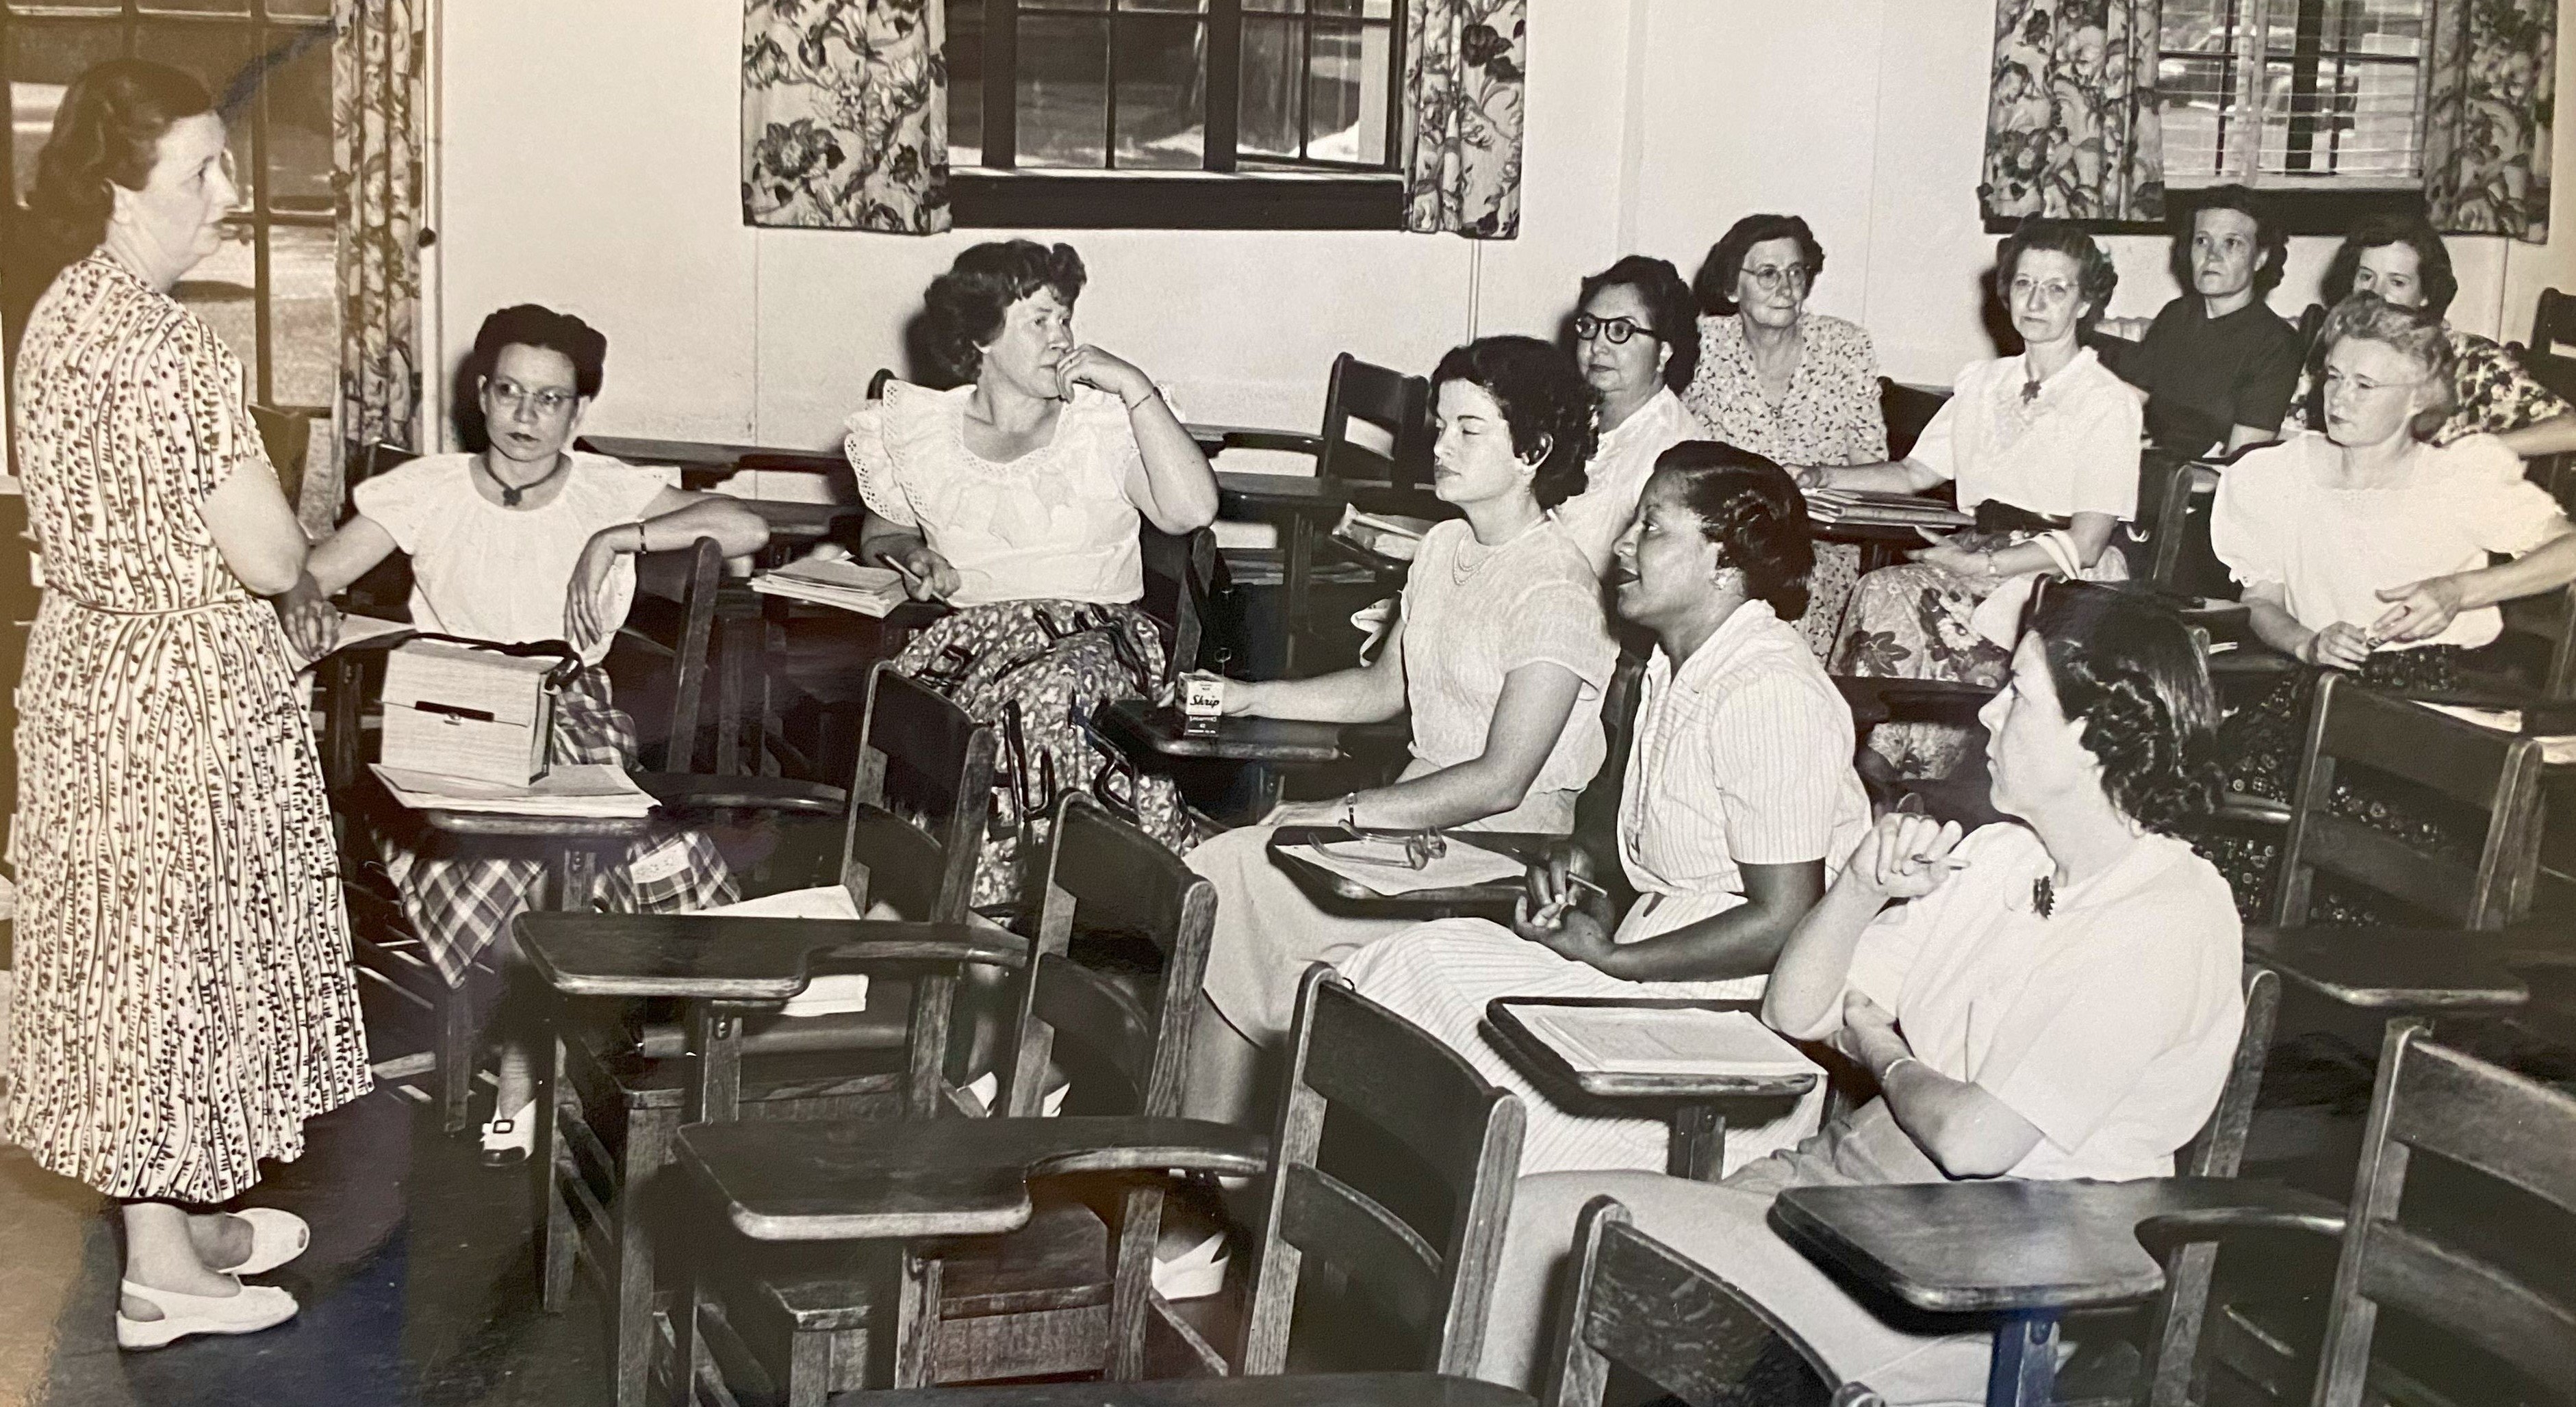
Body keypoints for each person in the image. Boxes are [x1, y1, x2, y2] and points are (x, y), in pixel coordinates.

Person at [1473, 582, 2243, 1404]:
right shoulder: (2003, 859)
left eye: (2017, 694)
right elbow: (1796, 1011)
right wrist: (1859, 888)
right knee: (1539, 1235)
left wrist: (1881, 1046)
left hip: (1982, 1278)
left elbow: (1974, 1142)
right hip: (1843, 1198)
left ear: (2096, 739)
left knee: (1547, 1232)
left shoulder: (2167, 915)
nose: (1986, 714)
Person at [4, 58, 370, 1349]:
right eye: (199, 172)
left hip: (92, 677)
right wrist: (329, 547)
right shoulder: (169, 348)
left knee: (128, 964)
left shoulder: (57, 315)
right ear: (118, 186)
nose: (228, 194)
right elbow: (271, 560)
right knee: (177, 967)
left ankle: (174, 1222)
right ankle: (161, 1274)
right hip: (183, 693)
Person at [298, 303, 772, 1162]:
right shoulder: (428, 487)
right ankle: (537, 1054)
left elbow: (747, 527)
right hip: (447, 709)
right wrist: (329, 626)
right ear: (480, 394)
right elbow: (312, 580)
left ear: (580, 412)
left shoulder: (605, 487)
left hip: (570, 709)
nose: (526, 416)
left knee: (588, 827)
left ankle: (542, 1056)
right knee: (518, 848)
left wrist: (613, 539)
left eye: (550, 400)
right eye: (510, 391)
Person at [1341, 443, 1872, 1176]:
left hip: (1736, 1031)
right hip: (1649, 969)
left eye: (1651, 527)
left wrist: (1619, 961)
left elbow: (1785, 916)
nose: (1623, 545)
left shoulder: (1768, 691)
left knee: (1496, 1116)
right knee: (1396, 971)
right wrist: (1582, 859)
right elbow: (1631, 811)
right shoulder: (1668, 665)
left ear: (1725, 561)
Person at [1182, 335, 1615, 1126]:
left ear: (1534, 451)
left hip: (1505, 848)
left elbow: (1500, 779)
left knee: (1241, 872)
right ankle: (1198, 1174)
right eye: (1438, 424)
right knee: (1221, 877)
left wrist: (1339, 813)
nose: (1439, 446)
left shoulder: (1556, 589)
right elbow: (1384, 691)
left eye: (1467, 429)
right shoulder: (1445, 545)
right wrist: (1248, 697)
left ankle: (1210, 1183)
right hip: (1414, 825)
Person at [847, 240, 1220, 909]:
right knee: (934, 694)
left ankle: (997, 910)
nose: (1062, 339)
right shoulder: (923, 429)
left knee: (1046, 691)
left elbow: (1191, 509)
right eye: (1038, 321)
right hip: (974, 639)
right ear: (979, 338)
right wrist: (910, 555)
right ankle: (955, 897)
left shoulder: (1101, 422)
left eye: (1065, 318)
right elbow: (882, 528)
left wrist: (1136, 387)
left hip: (1098, 639)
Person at [2203, 294, 2576, 921]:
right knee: (2226, 799)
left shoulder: (2457, 477)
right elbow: (2260, 600)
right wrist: (2305, 642)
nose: (2338, 397)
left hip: (2427, 702)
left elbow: (2567, 550)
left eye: (2365, 384)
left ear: (2417, 399)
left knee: (2374, 850)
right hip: (2317, 690)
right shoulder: (2279, 474)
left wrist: (2459, 592)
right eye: (2334, 377)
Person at [1805, 218, 2140, 779]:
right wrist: (1821, 475)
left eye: (2057, 288)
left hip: (2061, 575)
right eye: (2024, 283)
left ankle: (1916, 773)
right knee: (1881, 588)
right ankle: (1856, 769)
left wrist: (1980, 564)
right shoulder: (1984, 383)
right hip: (1977, 551)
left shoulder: (2106, 401)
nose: (2035, 301)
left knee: (1909, 599)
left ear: (2085, 303)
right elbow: (1914, 472)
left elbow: (2086, 542)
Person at [1681, 214, 1889, 658]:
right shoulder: (1699, 348)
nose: (1787, 287)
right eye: (1767, 274)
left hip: (1822, 546)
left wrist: (1821, 476)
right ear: (1731, 287)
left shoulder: (1844, 347)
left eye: (1797, 272)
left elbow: (1874, 470)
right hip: (1724, 538)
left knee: (1800, 590)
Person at [2300, 214, 2576, 457]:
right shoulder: (2338, 349)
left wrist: (2476, 450)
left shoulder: (2470, 361)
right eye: (2365, 277)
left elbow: (2571, 428)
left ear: (2426, 295)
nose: (2376, 293)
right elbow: (2294, 430)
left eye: (2397, 282)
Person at [2096, 185, 2303, 459]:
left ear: (2261, 259)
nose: (2212, 255)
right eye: (2202, 241)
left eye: (2232, 243)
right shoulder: (2177, 315)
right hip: (2149, 466)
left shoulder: (2277, 344)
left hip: (2208, 487)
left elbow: (2240, 463)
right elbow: (2127, 405)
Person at [1551, 256, 1711, 574]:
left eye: (1620, 330)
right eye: (1589, 326)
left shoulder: (1674, 452)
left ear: (1664, 351)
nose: (1597, 346)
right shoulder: (1569, 415)